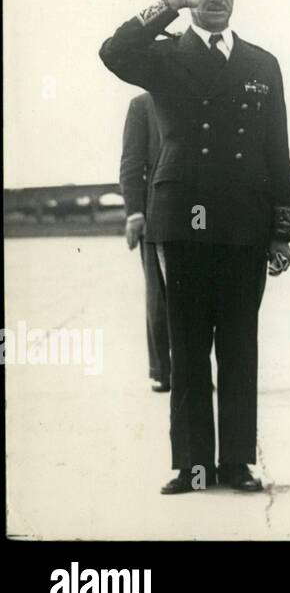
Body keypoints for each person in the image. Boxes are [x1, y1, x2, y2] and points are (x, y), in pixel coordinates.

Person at [99, 0, 290, 495]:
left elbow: (275, 149)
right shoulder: (162, 57)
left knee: (239, 344)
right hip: (182, 220)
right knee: (186, 346)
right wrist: (168, 3)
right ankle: (192, 465)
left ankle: (235, 463)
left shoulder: (262, 63)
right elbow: (113, 51)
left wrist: (281, 229)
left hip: (243, 223)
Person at [120, 92, 169, 392]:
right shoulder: (142, 105)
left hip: (196, 215)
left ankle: (195, 369)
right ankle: (162, 370)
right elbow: (131, 162)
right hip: (155, 213)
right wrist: (134, 212)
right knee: (159, 296)